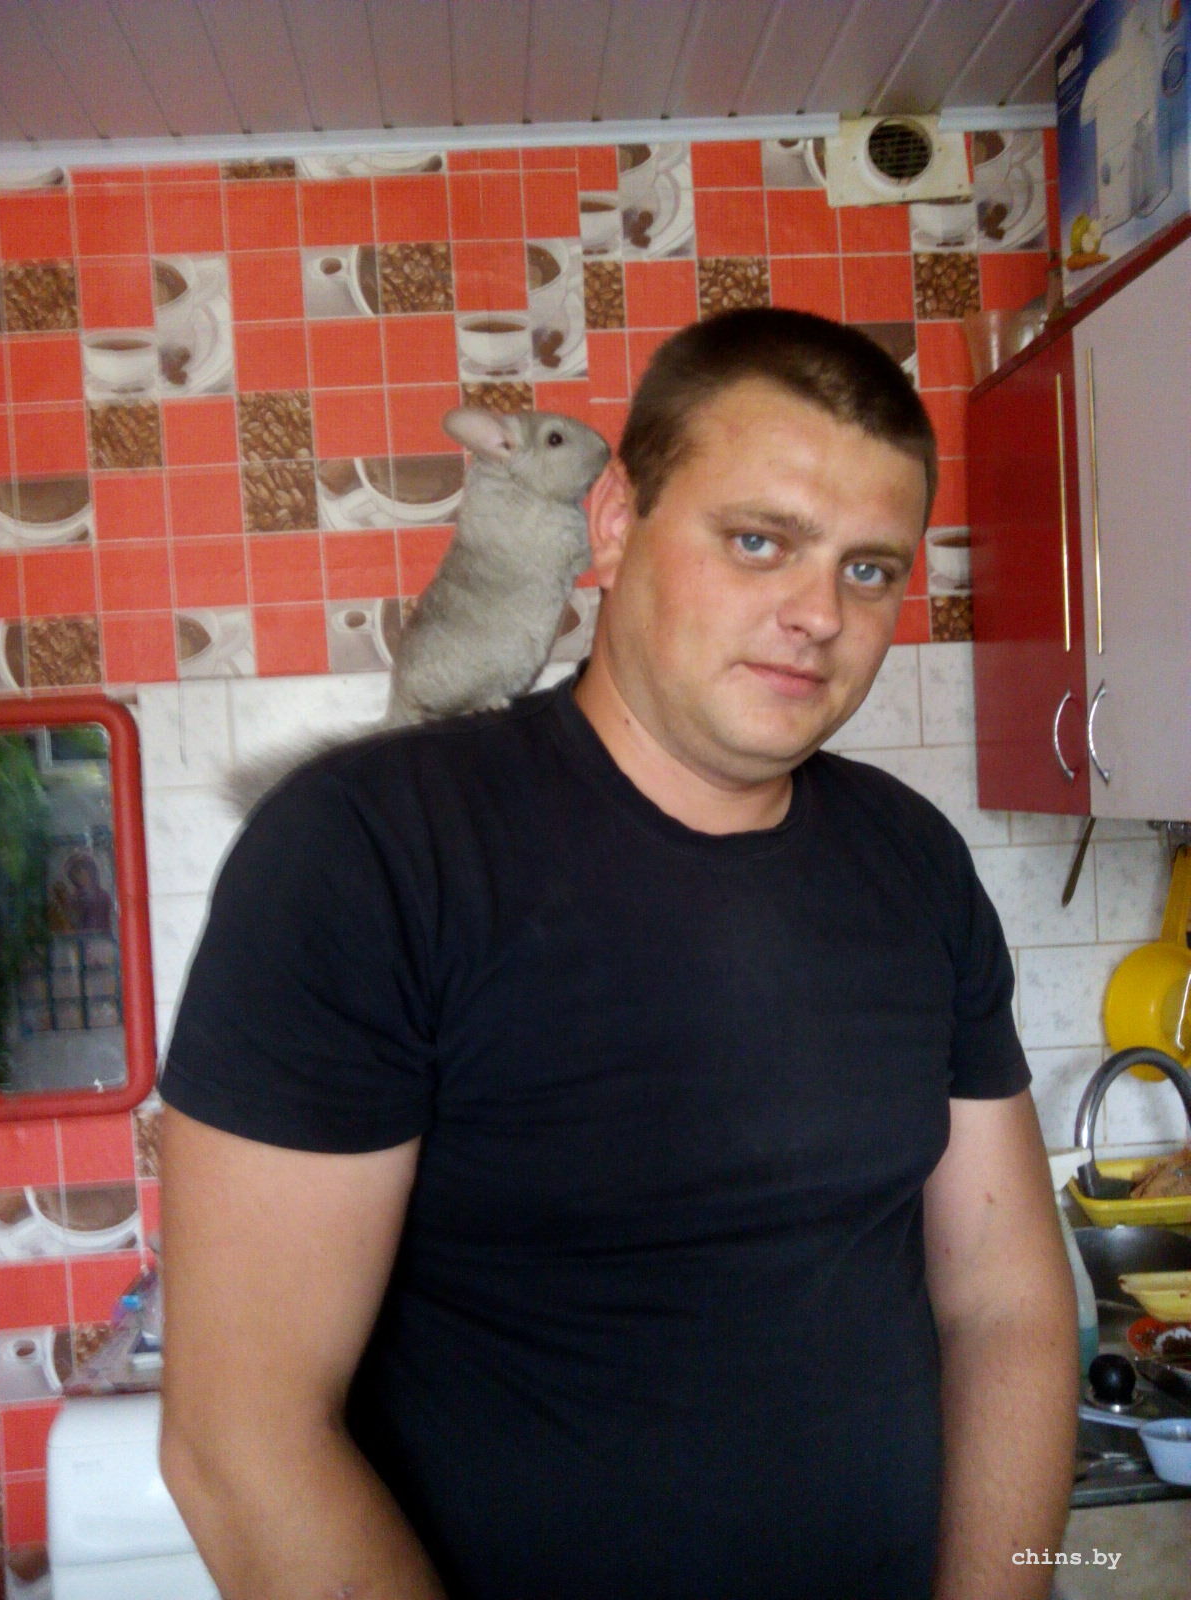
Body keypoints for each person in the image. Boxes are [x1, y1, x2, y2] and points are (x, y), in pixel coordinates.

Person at [159, 307, 1078, 1600]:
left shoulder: (914, 861)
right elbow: (240, 1443)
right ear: (612, 522)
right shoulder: (369, 850)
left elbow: (1008, 1307)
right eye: (759, 541)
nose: (818, 613)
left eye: (870, 570)